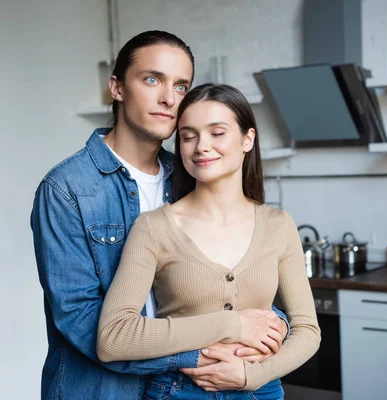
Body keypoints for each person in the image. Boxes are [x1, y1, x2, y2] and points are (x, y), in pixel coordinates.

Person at [30, 30, 289, 400]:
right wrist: (201, 352)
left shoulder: (190, 175)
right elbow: (81, 321)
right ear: (116, 88)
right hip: (102, 390)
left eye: (182, 86)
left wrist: (270, 324)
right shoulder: (67, 189)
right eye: (152, 79)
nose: (169, 98)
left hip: (181, 390)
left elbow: (229, 285)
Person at [96, 83, 321, 399]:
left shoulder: (278, 226)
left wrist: (251, 375)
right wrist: (232, 325)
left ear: (247, 139)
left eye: (217, 133)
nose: (201, 146)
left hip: (261, 392)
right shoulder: (154, 227)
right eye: (188, 136)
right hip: (178, 391)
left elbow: (308, 330)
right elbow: (113, 337)